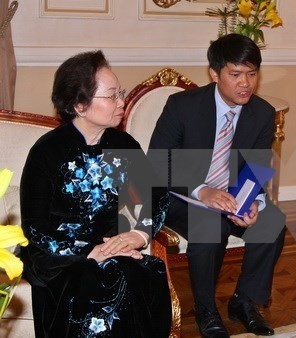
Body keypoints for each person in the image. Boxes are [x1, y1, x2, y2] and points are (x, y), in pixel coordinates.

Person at [20, 50, 172, 337]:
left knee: (141, 272)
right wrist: (88, 253)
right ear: (80, 104)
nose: (122, 102)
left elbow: (155, 196)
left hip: (112, 244)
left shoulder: (122, 144)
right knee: (101, 276)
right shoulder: (48, 151)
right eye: (112, 95)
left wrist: (138, 235)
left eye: (121, 93)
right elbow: (35, 228)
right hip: (57, 255)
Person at [148, 33, 286, 338]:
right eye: (235, 74)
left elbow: (255, 166)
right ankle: (206, 311)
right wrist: (202, 191)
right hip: (178, 196)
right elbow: (158, 163)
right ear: (214, 73)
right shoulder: (183, 106)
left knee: (273, 221)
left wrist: (251, 203)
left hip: (229, 196)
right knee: (210, 225)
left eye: (252, 74)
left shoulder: (262, 113)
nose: (245, 83)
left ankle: (244, 302)